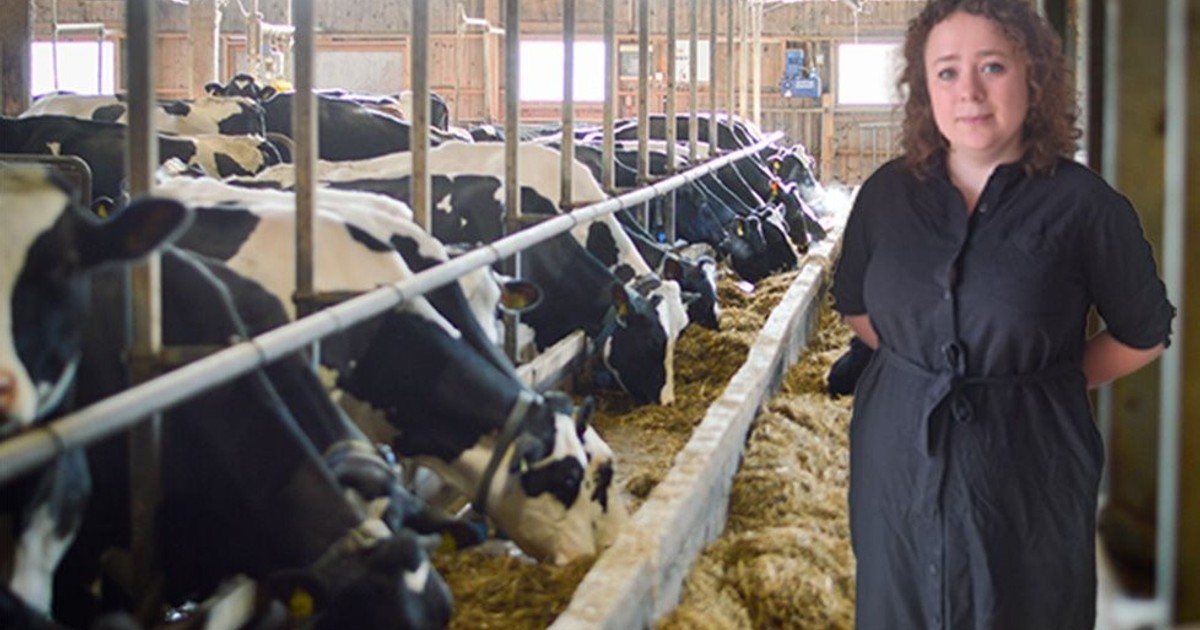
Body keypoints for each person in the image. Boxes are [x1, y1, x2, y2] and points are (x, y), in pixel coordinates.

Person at [829, 0, 1176, 628]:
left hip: (1029, 471)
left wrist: (1046, 381)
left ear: (1033, 76)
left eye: (992, 66)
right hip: (895, 468)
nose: (968, 92)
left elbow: (1145, 331)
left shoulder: (1085, 206)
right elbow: (854, 303)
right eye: (946, 71)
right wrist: (921, 368)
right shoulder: (884, 196)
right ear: (924, 88)